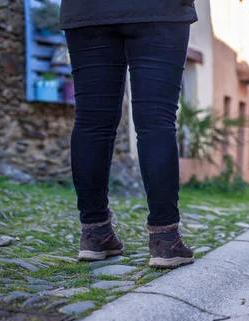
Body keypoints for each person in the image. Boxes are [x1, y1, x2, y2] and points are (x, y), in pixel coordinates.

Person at [60, 0, 197, 268]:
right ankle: (165, 238)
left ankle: (94, 233)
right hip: (160, 10)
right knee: (156, 120)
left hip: (87, 11)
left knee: (91, 121)